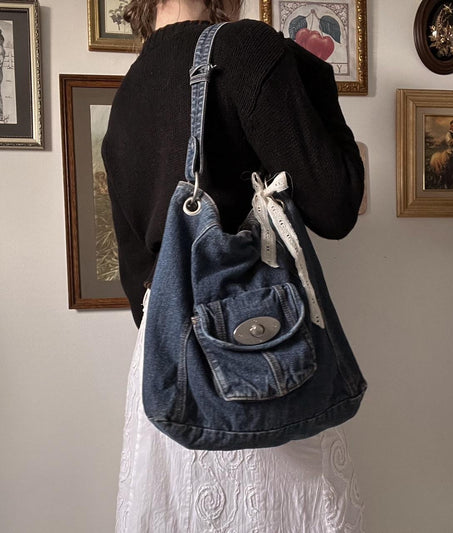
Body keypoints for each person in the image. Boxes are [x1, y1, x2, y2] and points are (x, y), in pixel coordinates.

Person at [102, 0, 366, 531]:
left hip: (169, 366)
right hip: (251, 350)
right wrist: (310, 76)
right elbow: (335, 204)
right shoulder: (246, 49)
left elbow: (139, 280)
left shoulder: (128, 92)